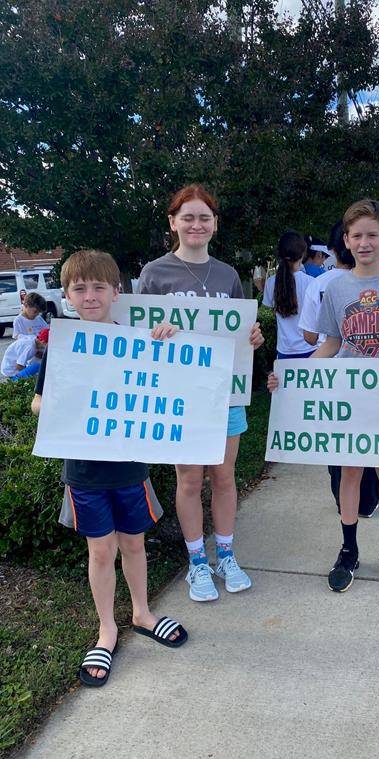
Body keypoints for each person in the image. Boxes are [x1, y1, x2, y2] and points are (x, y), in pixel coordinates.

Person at [31, 250, 188, 688]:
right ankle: (107, 628)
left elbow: (173, 383)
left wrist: (168, 340)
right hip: (84, 472)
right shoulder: (60, 346)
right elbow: (38, 401)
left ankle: (141, 612)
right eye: (79, 288)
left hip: (129, 469)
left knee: (134, 546)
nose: (90, 295)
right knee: (101, 551)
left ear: (116, 292)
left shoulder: (137, 341)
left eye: (99, 286)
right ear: (66, 296)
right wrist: (55, 407)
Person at [271, 199, 379, 593]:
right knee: (350, 473)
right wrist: (294, 377)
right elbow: (331, 343)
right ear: (346, 239)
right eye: (356, 235)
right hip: (350, 394)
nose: (364, 242)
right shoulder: (336, 287)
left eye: (372, 234)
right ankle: (349, 548)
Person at [138, 183, 264, 603]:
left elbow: (239, 333)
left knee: (225, 477)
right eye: (187, 217)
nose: (196, 224)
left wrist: (254, 337)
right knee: (190, 479)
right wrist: (155, 336)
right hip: (180, 397)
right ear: (173, 222)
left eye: (204, 217)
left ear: (214, 224)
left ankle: (225, 554)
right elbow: (138, 339)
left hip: (224, 393)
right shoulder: (155, 273)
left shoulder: (227, 274)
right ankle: (197, 562)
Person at [298, 220, 379, 517]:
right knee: (370, 435)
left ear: (333, 249)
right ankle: (368, 500)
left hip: (330, 372)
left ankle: (342, 499)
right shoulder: (376, 282)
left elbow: (308, 335)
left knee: (337, 438)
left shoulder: (319, 284)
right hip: (370, 372)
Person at [262, 231, 316, 359]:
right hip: (310, 349)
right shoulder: (312, 283)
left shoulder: (271, 283)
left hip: (284, 351)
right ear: (303, 254)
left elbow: (268, 310)